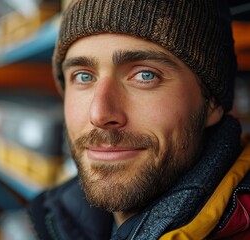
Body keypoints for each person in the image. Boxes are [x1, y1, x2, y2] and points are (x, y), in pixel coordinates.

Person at [27, 0, 250, 239]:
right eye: (83, 76)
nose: (99, 114)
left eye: (145, 75)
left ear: (212, 103)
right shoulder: (58, 219)